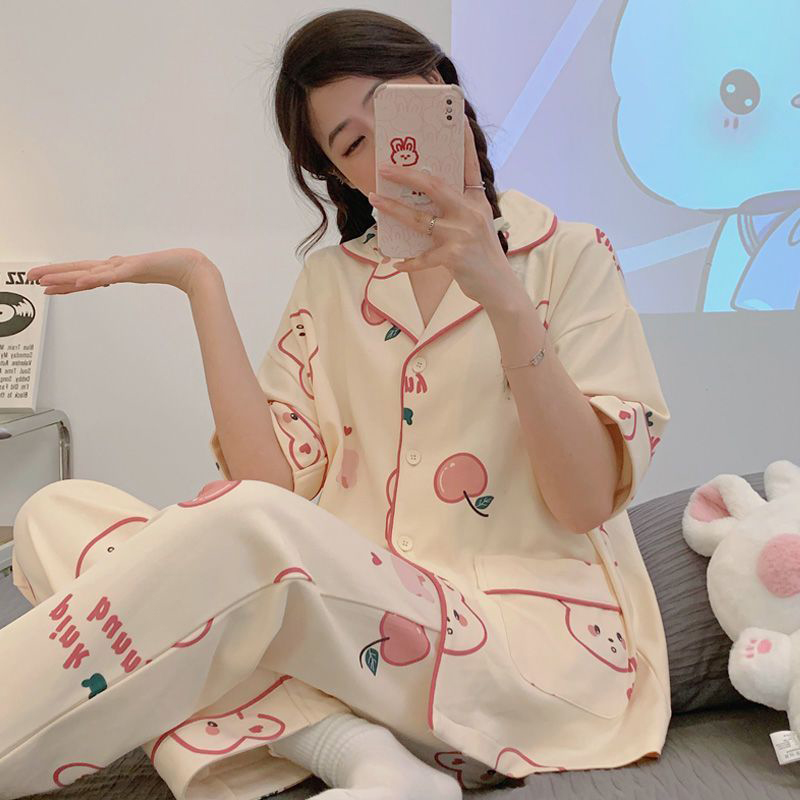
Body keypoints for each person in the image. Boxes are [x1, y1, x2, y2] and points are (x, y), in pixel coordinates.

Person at [0, 8, 671, 800]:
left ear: (442, 90)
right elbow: (267, 488)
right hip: (352, 641)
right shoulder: (332, 283)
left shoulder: (570, 256)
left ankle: (316, 733)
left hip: (514, 650)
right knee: (56, 514)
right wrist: (198, 283)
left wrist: (503, 296)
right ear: (340, 177)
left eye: (395, 110)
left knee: (230, 552)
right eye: (352, 145)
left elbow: (585, 499)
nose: (386, 153)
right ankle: (363, 757)